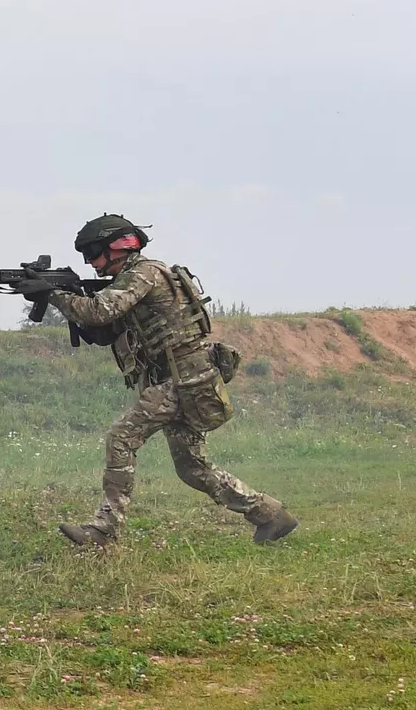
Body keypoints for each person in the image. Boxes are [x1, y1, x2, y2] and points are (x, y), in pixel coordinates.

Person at [17, 215, 297, 547]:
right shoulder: (133, 277)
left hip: (182, 379)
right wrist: (61, 292)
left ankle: (104, 531)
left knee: (121, 438)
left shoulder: (144, 273)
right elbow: (103, 330)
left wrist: (55, 295)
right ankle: (269, 514)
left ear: (116, 247)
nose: (90, 263)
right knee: (192, 469)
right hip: (181, 379)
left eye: (93, 253)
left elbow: (98, 312)